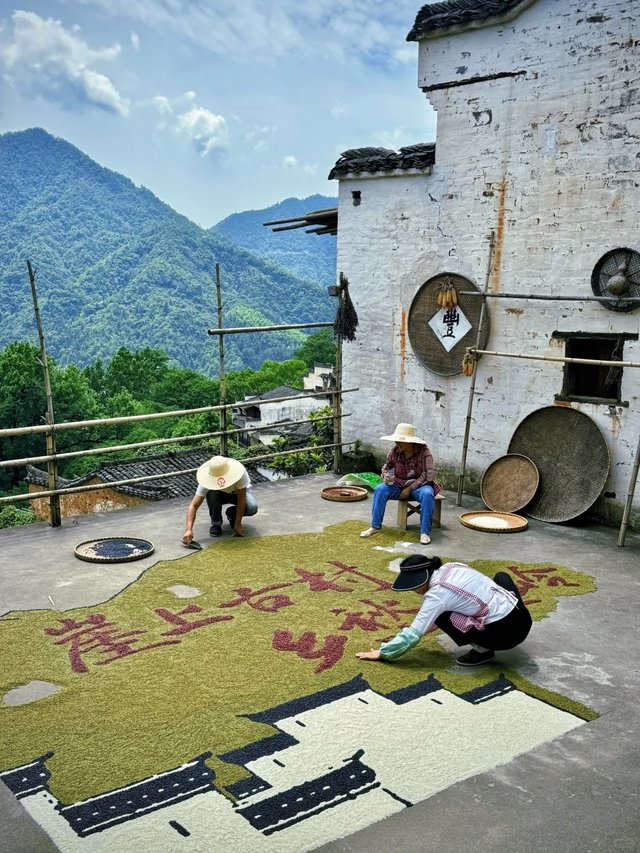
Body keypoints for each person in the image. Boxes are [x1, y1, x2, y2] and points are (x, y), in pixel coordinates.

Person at [356, 554, 532, 666]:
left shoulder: (437, 596)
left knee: (441, 616)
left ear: (424, 579)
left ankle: (483, 651)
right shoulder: (453, 566)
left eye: (415, 587)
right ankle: (493, 626)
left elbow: (413, 634)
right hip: (523, 617)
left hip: (507, 635)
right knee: (501, 577)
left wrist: (383, 653)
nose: (414, 591)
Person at [360, 422, 440, 545]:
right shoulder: (394, 451)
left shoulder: (424, 452)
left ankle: (424, 532)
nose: (397, 443)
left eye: (400, 441)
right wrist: (386, 477)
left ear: (410, 442)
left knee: (428, 494)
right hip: (398, 485)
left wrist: (409, 489)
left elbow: (428, 476)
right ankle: (375, 526)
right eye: (396, 440)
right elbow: (386, 467)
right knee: (380, 489)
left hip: (419, 487)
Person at [182, 455, 258, 544]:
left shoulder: (239, 473)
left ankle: (232, 514)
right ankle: (216, 524)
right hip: (218, 496)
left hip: (237, 495)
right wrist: (188, 530)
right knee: (212, 493)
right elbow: (193, 505)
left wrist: (238, 524)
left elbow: (241, 499)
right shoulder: (206, 481)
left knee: (252, 507)